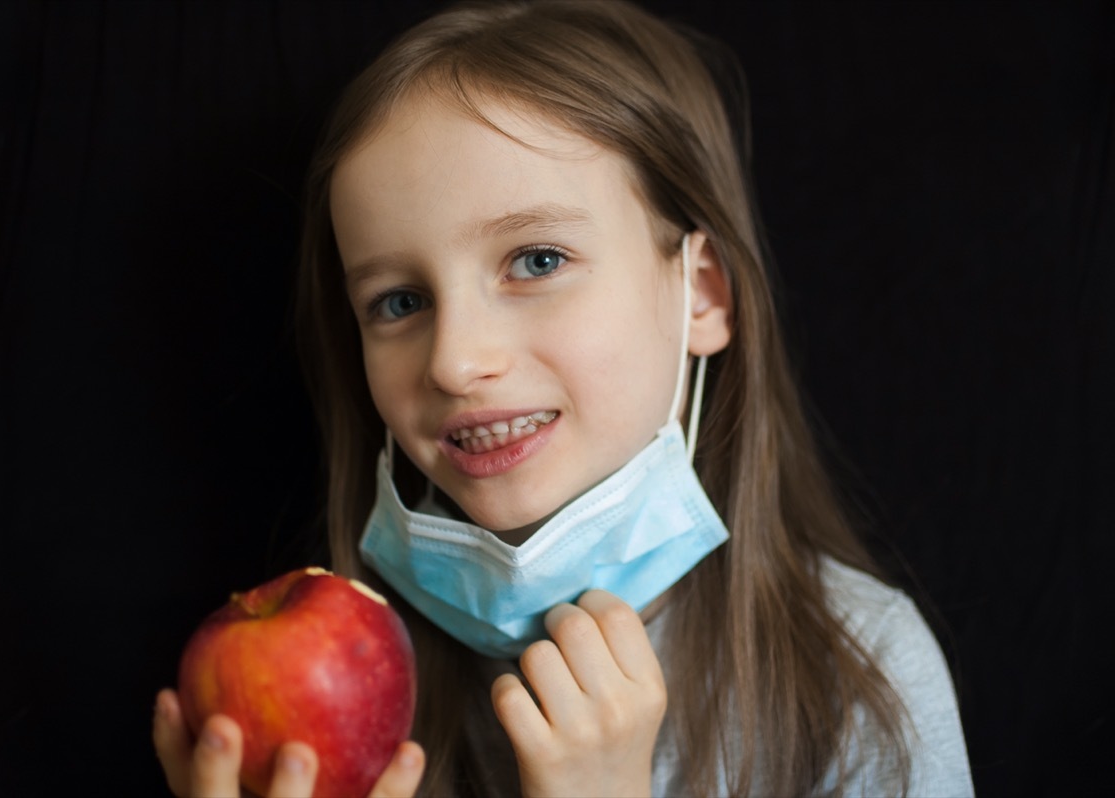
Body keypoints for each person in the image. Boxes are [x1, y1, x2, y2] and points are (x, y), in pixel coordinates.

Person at [153, 1, 974, 795]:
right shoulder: (328, 695)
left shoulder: (862, 672)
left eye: (537, 261)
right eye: (400, 302)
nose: (456, 362)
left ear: (700, 294)